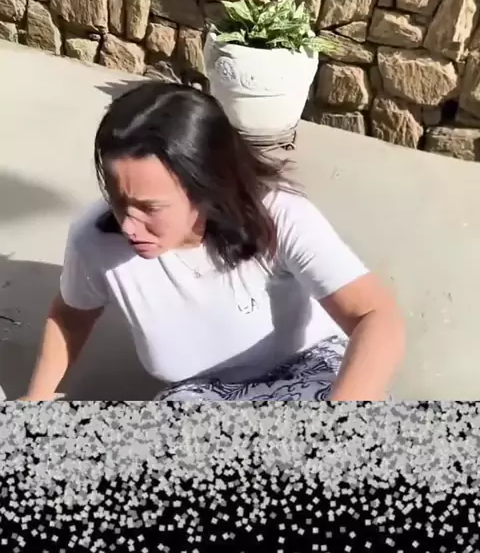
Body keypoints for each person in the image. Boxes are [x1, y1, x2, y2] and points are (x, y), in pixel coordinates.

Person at [21, 82, 405, 402]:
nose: (129, 225)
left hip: (312, 371)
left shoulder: (280, 216)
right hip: (199, 395)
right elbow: (70, 317)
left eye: (150, 208)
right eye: (119, 201)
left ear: (206, 187)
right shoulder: (94, 240)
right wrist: (35, 400)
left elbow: (375, 317)